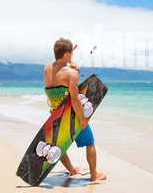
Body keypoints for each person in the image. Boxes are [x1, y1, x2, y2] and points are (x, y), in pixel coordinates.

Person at [43, 38, 106, 182]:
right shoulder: (72, 74)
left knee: (58, 145)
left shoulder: (46, 69)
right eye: (71, 53)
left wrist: (68, 65)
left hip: (55, 113)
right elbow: (76, 99)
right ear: (67, 53)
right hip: (72, 115)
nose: (72, 55)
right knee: (90, 143)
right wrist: (83, 120)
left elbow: (59, 72)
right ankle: (93, 176)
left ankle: (72, 170)